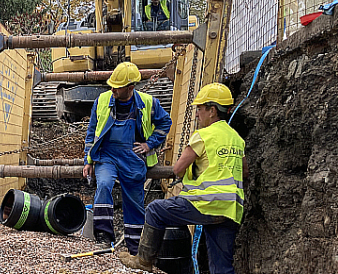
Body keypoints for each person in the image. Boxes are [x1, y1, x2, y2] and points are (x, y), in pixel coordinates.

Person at [119, 83, 248, 274]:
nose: (197, 114)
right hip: (230, 208)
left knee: (155, 210)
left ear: (212, 110)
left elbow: (178, 169)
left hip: (206, 203)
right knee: (222, 267)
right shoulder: (236, 138)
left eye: (200, 109)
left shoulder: (203, 136)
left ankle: (143, 261)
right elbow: (244, 171)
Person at [83, 62, 172, 255]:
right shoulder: (102, 101)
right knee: (104, 184)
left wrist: (149, 144)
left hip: (132, 157)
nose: (112, 88)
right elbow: (92, 133)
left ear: (131, 88)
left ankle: (135, 248)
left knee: (133, 200)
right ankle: (104, 238)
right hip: (106, 154)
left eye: (117, 86)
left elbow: (165, 123)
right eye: (112, 85)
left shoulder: (148, 103)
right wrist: (88, 160)